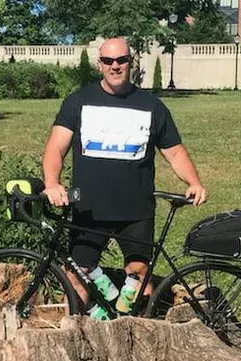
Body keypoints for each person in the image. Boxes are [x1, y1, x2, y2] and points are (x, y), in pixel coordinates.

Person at [41, 37, 207, 306]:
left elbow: (174, 151)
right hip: (89, 208)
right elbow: (55, 148)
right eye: (108, 61)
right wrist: (52, 182)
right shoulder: (78, 102)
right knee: (77, 276)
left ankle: (140, 330)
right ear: (100, 64)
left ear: (131, 62)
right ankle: (75, 333)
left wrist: (194, 182)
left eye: (121, 60)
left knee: (140, 274)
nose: (115, 66)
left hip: (136, 209)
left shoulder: (152, 106)